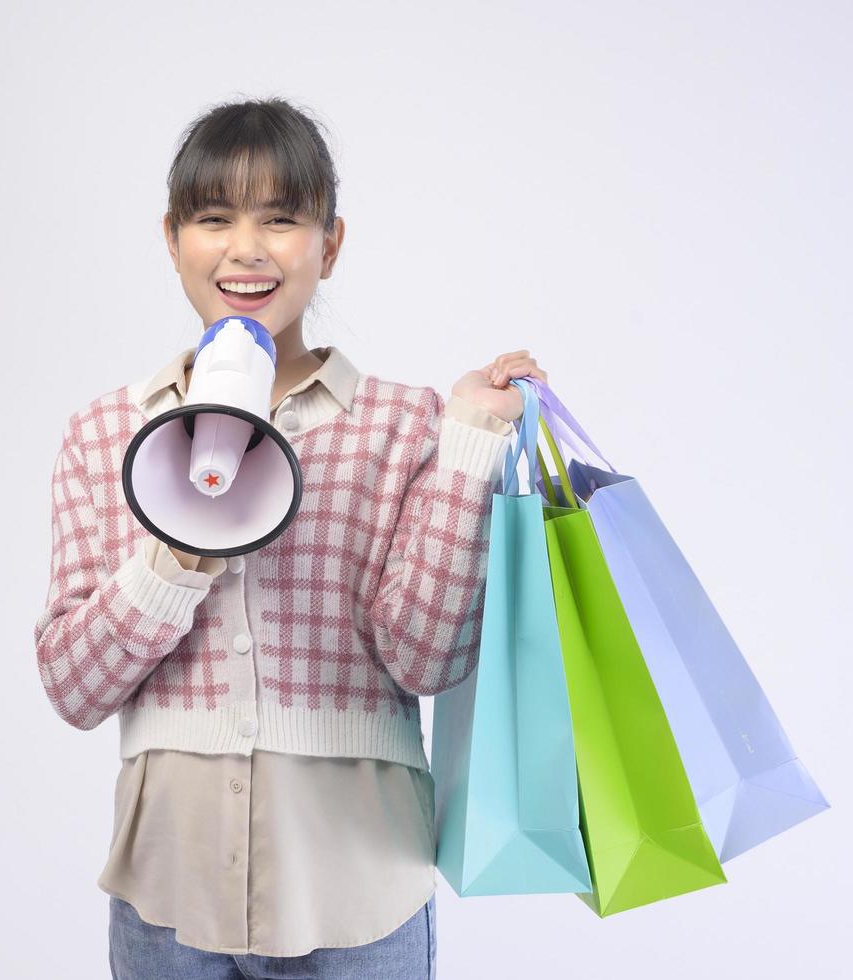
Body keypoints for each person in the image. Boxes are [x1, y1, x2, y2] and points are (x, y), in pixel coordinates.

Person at [34, 97, 550, 980]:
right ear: (171, 238)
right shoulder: (106, 433)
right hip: (166, 902)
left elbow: (424, 659)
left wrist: (465, 445)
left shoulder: (403, 425)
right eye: (213, 218)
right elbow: (73, 687)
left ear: (329, 242)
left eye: (281, 219)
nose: (246, 248)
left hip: (358, 899)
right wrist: (180, 549)